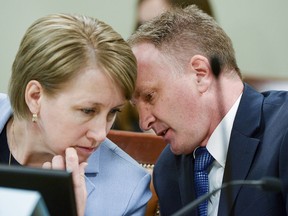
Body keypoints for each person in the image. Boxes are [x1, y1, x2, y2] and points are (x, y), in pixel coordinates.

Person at [128, 5, 288, 216]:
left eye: (150, 96)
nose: (143, 122)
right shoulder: (167, 170)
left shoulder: (283, 130)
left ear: (200, 74)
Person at [0, 13, 151, 215]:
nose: (101, 134)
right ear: (35, 97)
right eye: (88, 110)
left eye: (113, 112)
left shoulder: (128, 189)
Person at [113, 0, 214, 132]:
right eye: (141, 27)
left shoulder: (229, 106)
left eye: (160, 31)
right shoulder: (120, 107)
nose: (147, 39)